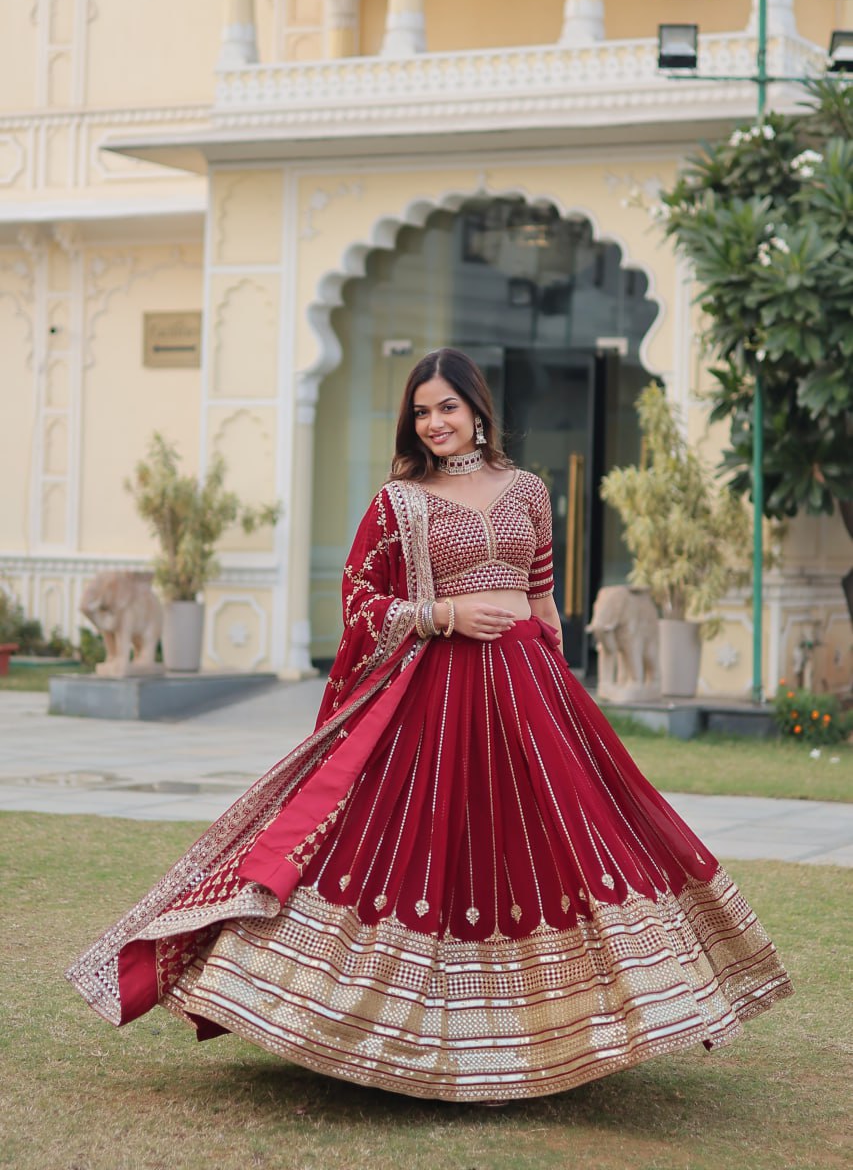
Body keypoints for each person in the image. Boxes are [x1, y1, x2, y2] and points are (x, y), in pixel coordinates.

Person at [67, 347, 792, 1104]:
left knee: (553, 844)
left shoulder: (530, 492)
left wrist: (569, 697)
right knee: (425, 847)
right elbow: (358, 604)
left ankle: (571, 1025)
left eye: (447, 406)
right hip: (437, 698)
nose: (434, 422)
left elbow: (542, 602)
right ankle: (372, 1026)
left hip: (532, 693)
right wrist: (440, 613)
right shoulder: (398, 502)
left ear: (478, 410)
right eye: (421, 411)